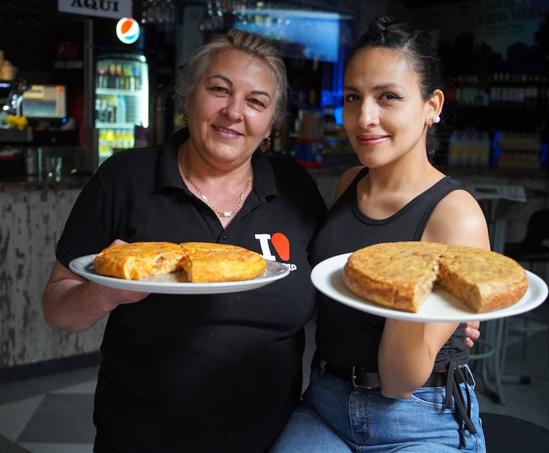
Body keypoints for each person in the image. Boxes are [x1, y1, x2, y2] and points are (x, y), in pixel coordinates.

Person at [42, 29, 327, 452]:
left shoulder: (295, 189)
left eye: (256, 101)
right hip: (141, 438)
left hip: (272, 440)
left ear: (271, 123)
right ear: (188, 96)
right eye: (218, 89)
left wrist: (446, 318)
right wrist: (103, 294)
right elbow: (58, 310)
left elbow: (335, 294)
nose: (234, 111)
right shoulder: (125, 179)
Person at [270, 17, 488, 453]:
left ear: (433, 105)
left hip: (419, 415)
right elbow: (328, 300)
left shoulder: (455, 217)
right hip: (326, 400)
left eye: (388, 97)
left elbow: (399, 381)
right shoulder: (349, 181)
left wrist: (418, 303)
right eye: (354, 97)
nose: (364, 118)